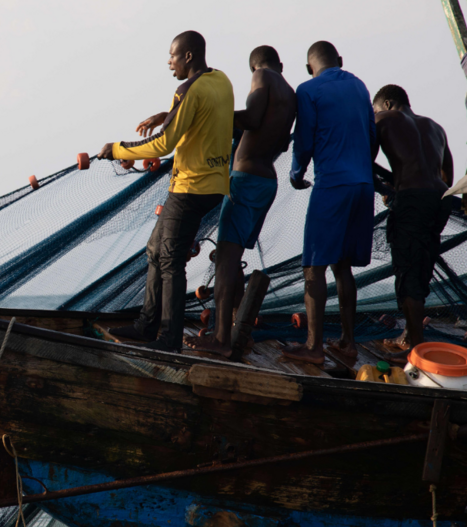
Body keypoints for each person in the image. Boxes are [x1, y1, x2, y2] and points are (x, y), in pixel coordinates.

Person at [98, 30, 234, 352]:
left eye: (172, 56)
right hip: (215, 184)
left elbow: (163, 143)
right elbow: (203, 116)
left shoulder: (188, 89)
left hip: (191, 187)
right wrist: (167, 113)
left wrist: (116, 149)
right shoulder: (222, 80)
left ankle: (168, 339)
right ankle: (146, 325)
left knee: (170, 260)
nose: (169, 63)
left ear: (188, 56)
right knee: (155, 250)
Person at [184, 45, 296, 357]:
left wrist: (210, 117)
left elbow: (252, 117)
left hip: (246, 180)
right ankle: (239, 331)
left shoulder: (262, 76)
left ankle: (220, 339)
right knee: (231, 261)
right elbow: (283, 142)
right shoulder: (290, 93)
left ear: (254, 68)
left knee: (225, 261)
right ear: (281, 63)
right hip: (266, 181)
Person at [283, 41, 376, 365]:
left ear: (311, 67)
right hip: (364, 185)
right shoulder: (359, 86)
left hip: (333, 184)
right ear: (340, 60)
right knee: (343, 265)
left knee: (314, 265)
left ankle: (313, 347)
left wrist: (296, 173)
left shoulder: (308, 89)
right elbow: (372, 136)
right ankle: (348, 343)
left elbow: (304, 140)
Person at [372, 84, 454, 350]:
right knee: (421, 266)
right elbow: (447, 176)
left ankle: (415, 349)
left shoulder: (382, 119)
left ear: (386, 104)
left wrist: (388, 187)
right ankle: (409, 334)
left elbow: (363, 160)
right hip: (440, 199)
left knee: (407, 273)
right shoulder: (435, 127)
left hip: (412, 199)